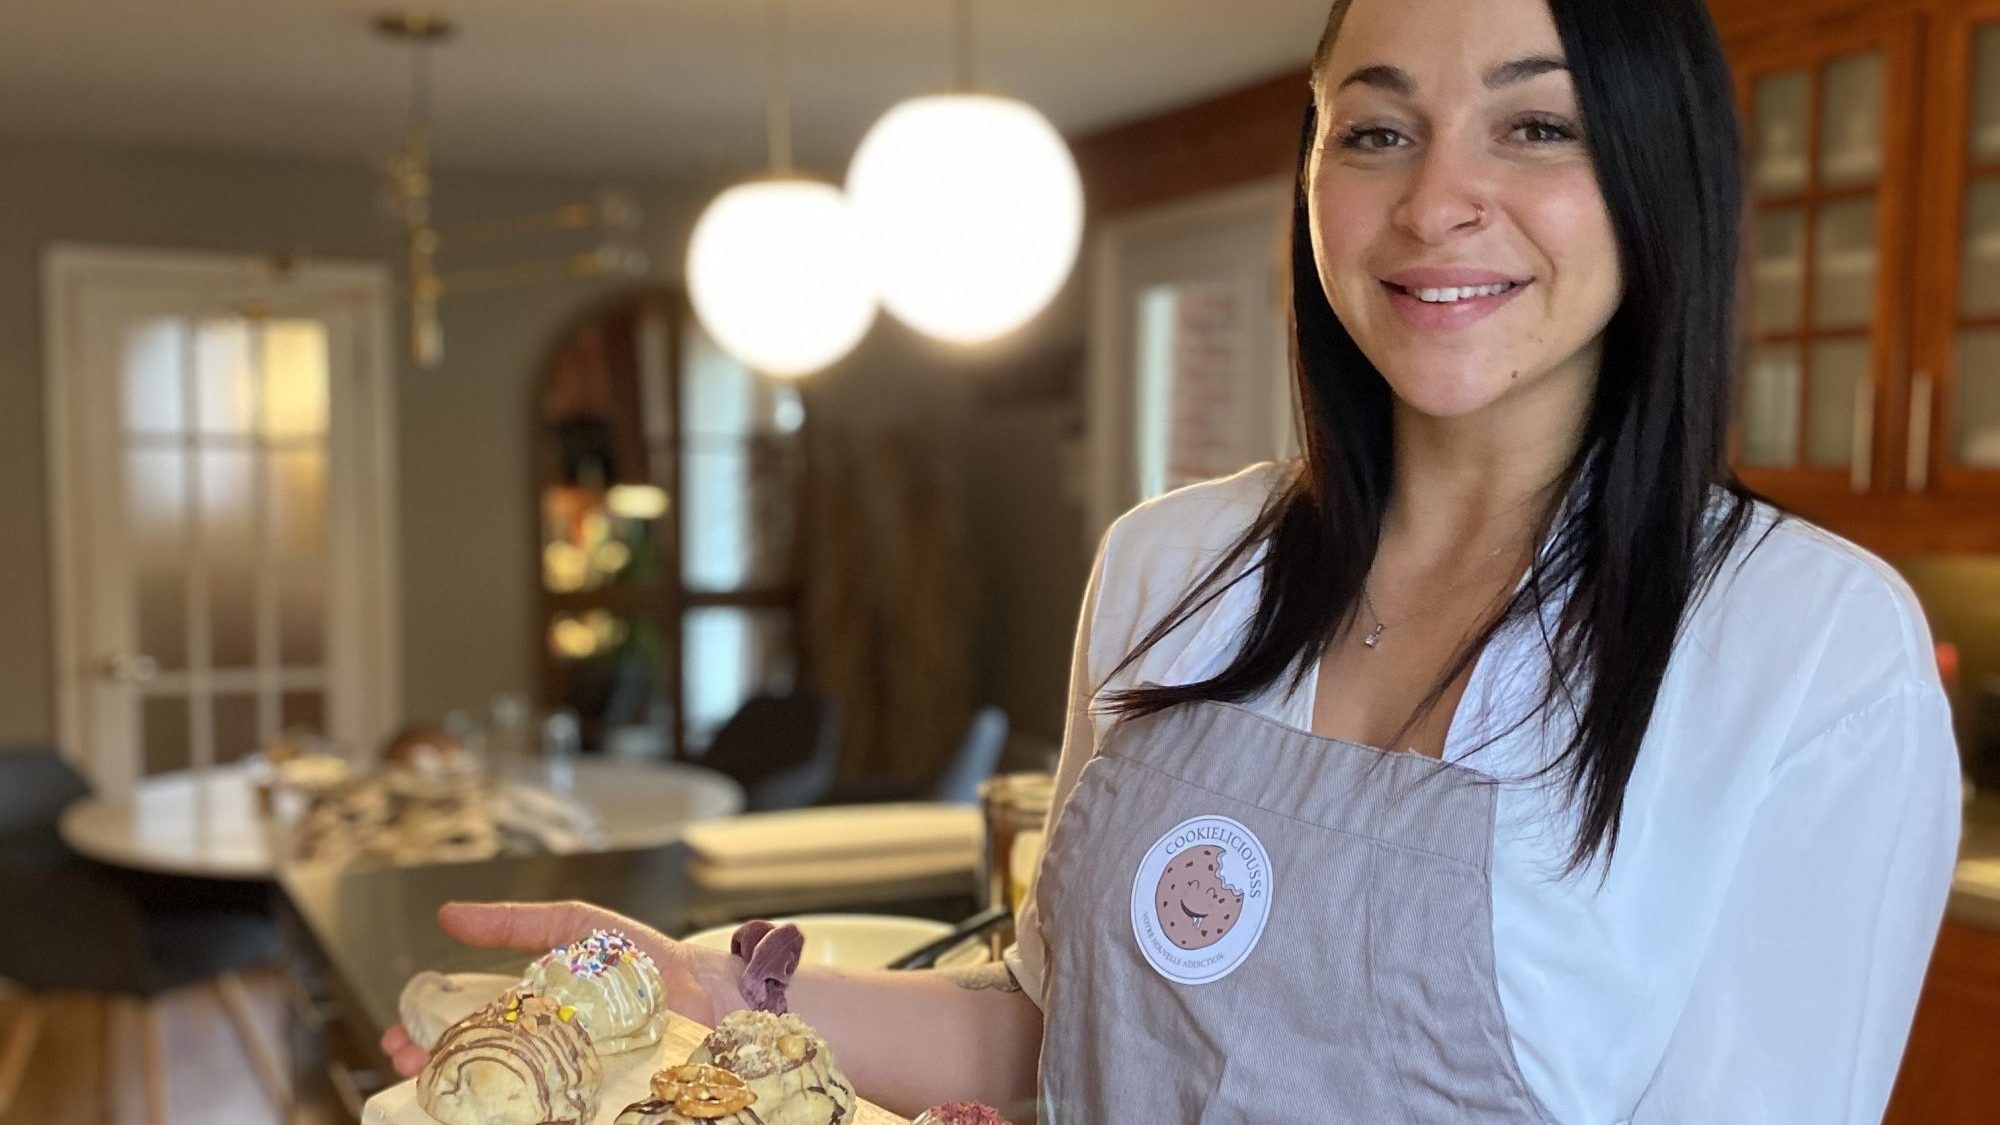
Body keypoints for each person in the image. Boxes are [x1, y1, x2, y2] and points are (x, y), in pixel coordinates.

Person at [383, 0, 1962, 1119]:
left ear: (1656, 171)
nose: (1435, 200)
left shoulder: (1806, 647)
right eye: (1378, 126)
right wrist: (714, 1001)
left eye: (1535, 124)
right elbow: (1061, 1038)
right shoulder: (1171, 565)